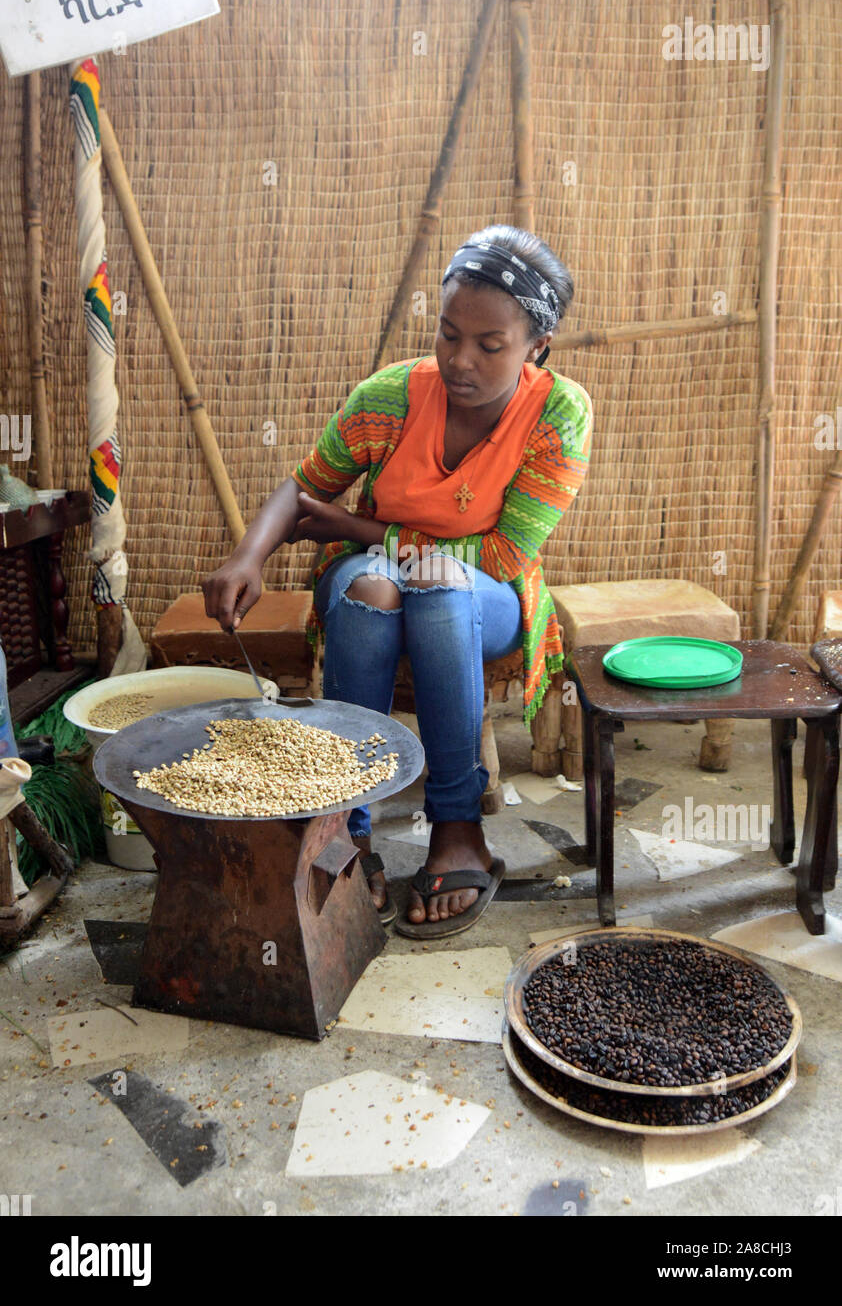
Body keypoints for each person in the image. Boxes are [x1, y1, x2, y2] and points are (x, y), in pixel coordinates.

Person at [202, 223, 593, 937]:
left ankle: (457, 827)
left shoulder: (560, 415)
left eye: (489, 345)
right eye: (448, 334)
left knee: (439, 583)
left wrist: (358, 529)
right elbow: (302, 490)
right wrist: (246, 557)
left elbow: (502, 558)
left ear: (538, 347)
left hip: (487, 595)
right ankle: (346, 830)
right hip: (370, 579)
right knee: (372, 590)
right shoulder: (392, 397)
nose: (460, 360)